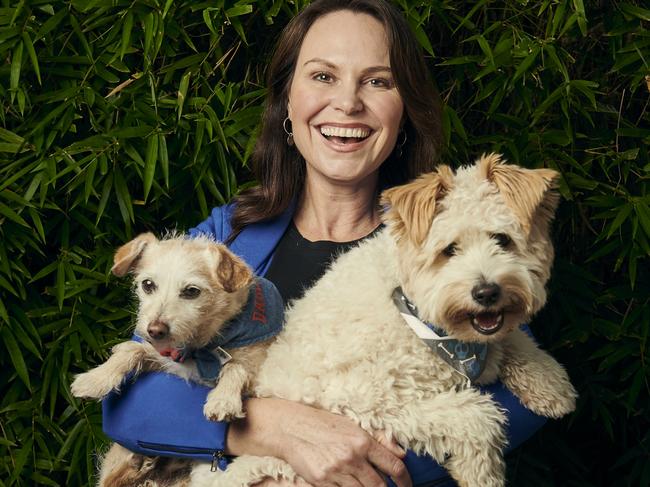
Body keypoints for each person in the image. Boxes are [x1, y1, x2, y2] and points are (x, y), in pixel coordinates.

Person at [102, 1, 546, 485]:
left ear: (405, 111)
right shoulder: (225, 238)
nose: (349, 103)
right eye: (322, 76)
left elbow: (520, 402)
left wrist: (335, 467)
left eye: (378, 81)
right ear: (287, 101)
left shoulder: (441, 240)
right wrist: (279, 429)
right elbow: (130, 403)